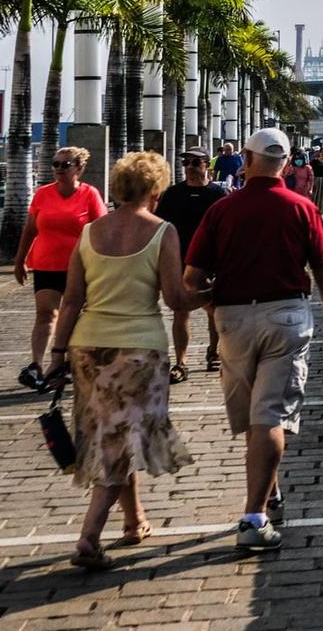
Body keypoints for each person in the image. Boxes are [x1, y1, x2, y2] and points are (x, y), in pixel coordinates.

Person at [183, 128, 323, 552]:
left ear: (246, 158)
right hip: (287, 316)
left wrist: (215, 310)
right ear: (286, 162)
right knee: (270, 416)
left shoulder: (223, 210)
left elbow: (193, 278)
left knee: (255, 417)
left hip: (233, 318)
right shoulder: (301, 208)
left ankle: (266, 494)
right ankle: (255, 517)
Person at [42, 151, 197, 571]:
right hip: (138, 351)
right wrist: (214, 294)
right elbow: (175, 298)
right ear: (155, 190)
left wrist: (56, 355)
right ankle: (89, 537)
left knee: (114, 434)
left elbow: (72, 299)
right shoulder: (162, 231)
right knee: (120, 440)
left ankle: (134, 521)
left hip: (87, 347)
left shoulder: (90, 232)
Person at [13, 147, 107, 391]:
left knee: (74, 314)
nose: (59, 169)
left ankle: (67, 362)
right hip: (46, 262)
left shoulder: (90, 194)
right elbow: (30, 229)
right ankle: (36, 365)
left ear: (79, 168)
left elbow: (100, 230)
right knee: (46, 314)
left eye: (65, 165)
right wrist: (20, 258)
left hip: (80, 266)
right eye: (55, 164)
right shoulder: (43, 194)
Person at [157, 149, 228, 379]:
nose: (189, 166)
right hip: (179, 260)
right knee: (180, 311)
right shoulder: (172, 194)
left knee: (214, 311)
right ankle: (181, 363)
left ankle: (214, 352)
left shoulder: (218, 194)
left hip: (211, 261)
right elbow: (160, 226)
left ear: (207, 165)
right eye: (185, 162)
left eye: (195, 162)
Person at [308, 146, 323, 221]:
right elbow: (311, 171)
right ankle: (317, 215)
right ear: (319, 153)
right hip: (317, 180)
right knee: (316, 198)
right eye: (322, 152)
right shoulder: (314, 162)